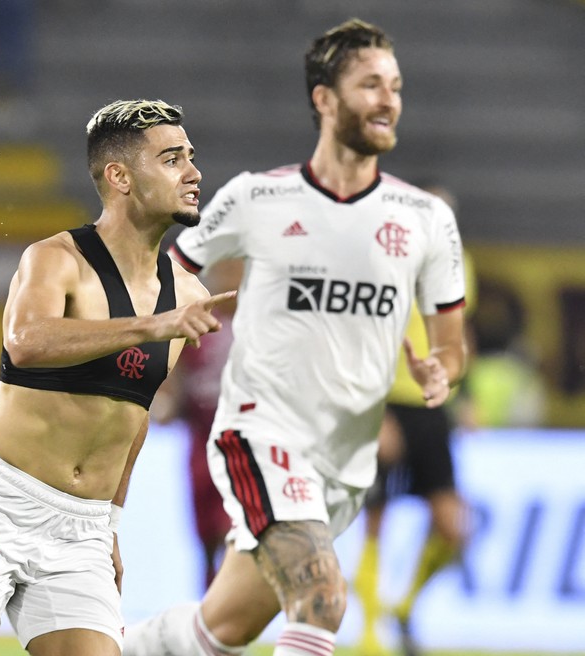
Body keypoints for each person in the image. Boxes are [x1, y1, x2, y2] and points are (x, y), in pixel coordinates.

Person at [123, 19, 468, 656]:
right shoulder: (258, 198)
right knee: (322, 598)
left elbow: (451, 338)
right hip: (261, 434)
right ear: (325, 100)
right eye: (370, 84)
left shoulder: (426, 220)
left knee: (222, 625)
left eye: (395, 85)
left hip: (345, 462)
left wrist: (441, 368)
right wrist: (147, 358)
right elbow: (169, 279)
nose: (389, 98)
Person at [0, 99, 235, 656]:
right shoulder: (57, 259)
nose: (194, 173)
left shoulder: (188, 296)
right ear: (120, 176)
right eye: (172, 159)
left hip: (81, 531)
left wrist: (111, 522)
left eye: (191, 158)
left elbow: (134, 417)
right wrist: (149, 326)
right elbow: (26, 343)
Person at [353, 184, 477, 656]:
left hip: (434, 405)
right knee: (375, 520)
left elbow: (460, 333)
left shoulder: (461, 264)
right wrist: (372, 409)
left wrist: (467, 391)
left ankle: (403, 607)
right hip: (387, 404)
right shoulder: (383, 264)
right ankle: (368, 638)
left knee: (452, 526)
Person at [152, 259, 242, 589]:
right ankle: (208, 590)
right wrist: (165, 403)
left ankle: (230, 597)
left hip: (244, 440)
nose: (228, 281)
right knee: (205, 528)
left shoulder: (260, 325)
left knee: (233, 523)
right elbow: (175, 373)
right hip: (201, 437)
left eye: (234, 272)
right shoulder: (199, 323)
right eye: (223, 273)